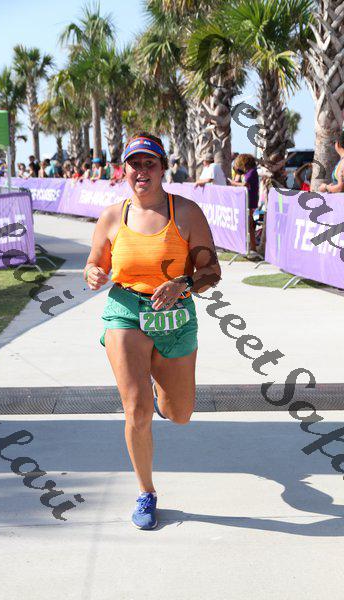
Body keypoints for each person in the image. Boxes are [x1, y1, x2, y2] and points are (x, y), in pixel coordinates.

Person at [83, 131, 221, 530]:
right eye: (134, 164)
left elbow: (211, 270)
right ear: (123, 170)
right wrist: (92, 273)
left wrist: (183, 283)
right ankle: (146, 492)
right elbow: (95, 263)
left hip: (175, 314)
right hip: (125, 311)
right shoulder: (112, 217)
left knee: (180, 414)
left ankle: (162, 393)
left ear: (163, 169)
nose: (141, 171)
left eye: (150, 163)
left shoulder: (187, 213)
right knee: (136, 411)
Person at [228, 153, 259, 253]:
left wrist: (233, 183)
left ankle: (253, 247)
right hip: (246, 200)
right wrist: (237, 173)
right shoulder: (247, 172)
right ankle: (250, 247)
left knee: (249, 225)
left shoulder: (252, 172)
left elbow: (245, 184)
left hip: (250, 201)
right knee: (248, 225)